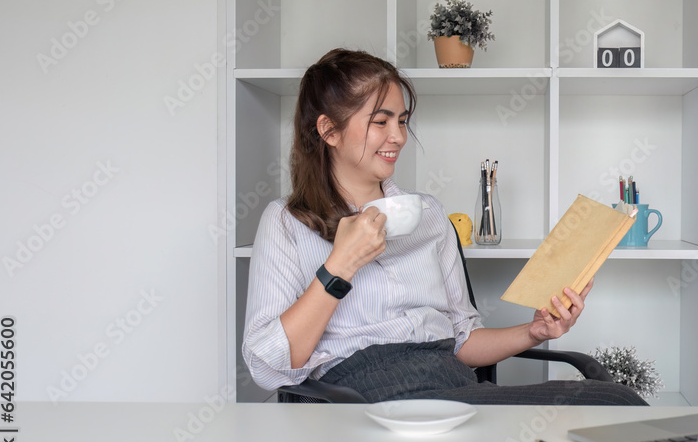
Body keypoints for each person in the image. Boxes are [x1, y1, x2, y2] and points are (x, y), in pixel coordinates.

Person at [243, 48, 646, 405]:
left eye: (402, 120)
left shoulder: (430, 215)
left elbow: (462, 339)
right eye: (380, 122)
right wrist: (339, 267)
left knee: (614, 401)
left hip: (452, 388)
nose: (398, 136)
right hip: (359, 400)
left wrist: (535, 331)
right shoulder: (286, 223)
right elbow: (269, 367)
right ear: (328, 130)